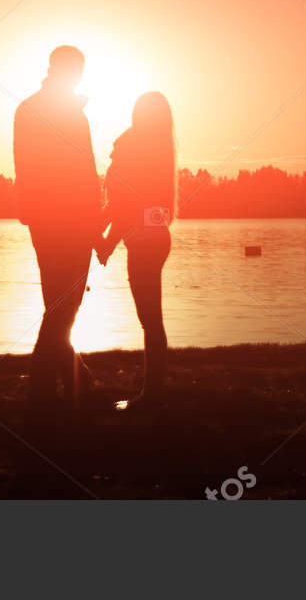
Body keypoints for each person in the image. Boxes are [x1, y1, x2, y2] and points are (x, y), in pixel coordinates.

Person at [13, 45, 104, 416]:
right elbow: (83, 174)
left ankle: (75, 381)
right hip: (66, 221)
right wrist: (93, 224)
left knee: (60, 305)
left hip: (47, 221)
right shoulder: (63, 115)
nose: (77, 78)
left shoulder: (28, 109)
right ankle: (43, 392)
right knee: (63, 308)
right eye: (75, 71)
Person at [96, 91, 176, 411]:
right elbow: (126, 208)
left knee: (150, 320)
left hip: (146, 243)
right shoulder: (156, 150)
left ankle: (151, 395)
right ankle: (153, 390)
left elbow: (127, 207)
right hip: (151, 241)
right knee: (151, 319)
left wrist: (108, 240)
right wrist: (105, 233)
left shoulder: (138, 149)